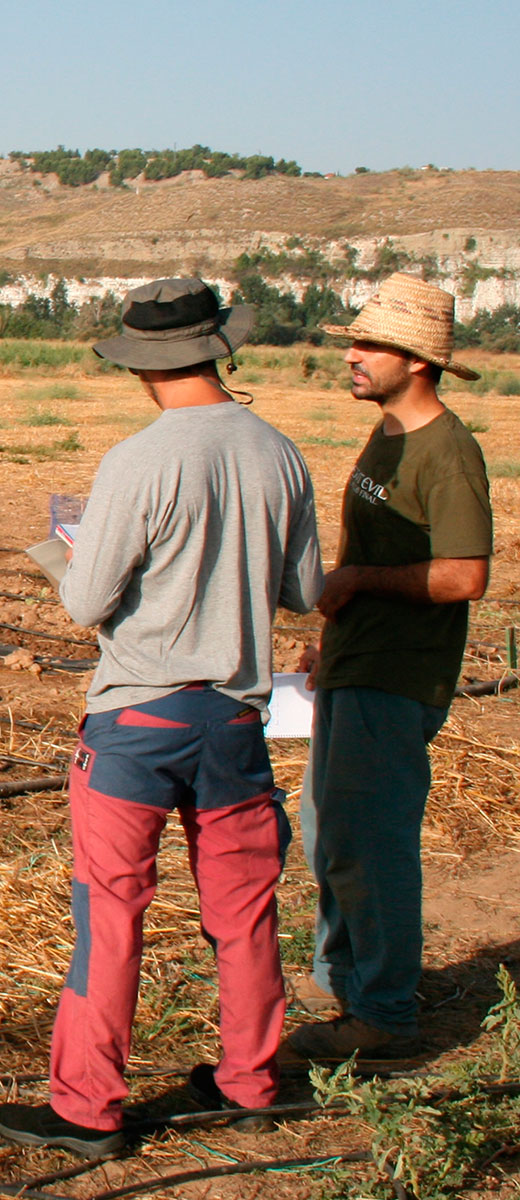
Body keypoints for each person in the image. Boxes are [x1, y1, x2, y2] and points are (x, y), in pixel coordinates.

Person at [0, 278, 323, 1159]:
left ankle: (88, 1108)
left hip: (136, 723)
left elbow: (90, 599)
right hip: (237, 724)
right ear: (220, 349)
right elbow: (302, 591)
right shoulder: (281, 452)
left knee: (112, 913)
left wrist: (71, 564)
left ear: (141, 365)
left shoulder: (139, 460)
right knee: (246, 912)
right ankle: (253, 1082)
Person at [280, 273, 493, 1064]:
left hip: (399, 675)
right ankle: (346, 981)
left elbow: (463, 576)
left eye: (368, 345)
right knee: (328, 833)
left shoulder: (448, 452)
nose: (352, 356)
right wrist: (338, 635)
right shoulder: (390, 436)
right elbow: (374, 549)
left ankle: (386, 1016)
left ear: (417, 360)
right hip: (358, 661)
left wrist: (361, 586)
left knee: (371, 842)